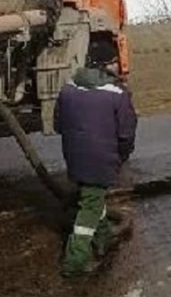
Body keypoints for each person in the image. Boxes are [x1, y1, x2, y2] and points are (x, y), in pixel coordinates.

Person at [54, 38, 137, 277]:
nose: (117, 67)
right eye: (114, 62)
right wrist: (121, 157)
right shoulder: (117, 93)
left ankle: (103, 237)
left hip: (74, 157)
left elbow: (58, 124)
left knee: (91, 196)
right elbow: (126, 133)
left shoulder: (69, 87)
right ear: (106, 64)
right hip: (100, 159)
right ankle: (75, 259)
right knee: (89, 207)